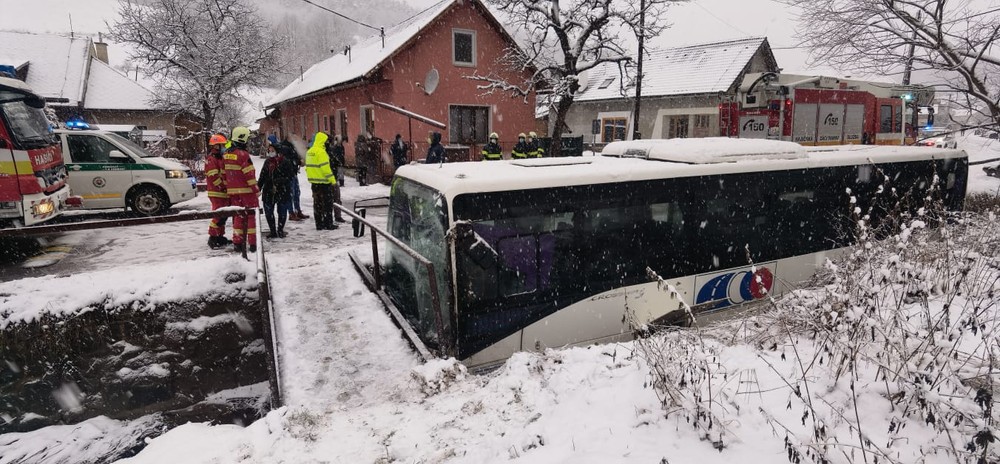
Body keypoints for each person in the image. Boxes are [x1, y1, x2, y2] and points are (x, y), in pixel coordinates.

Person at [224, 126, 260, 253]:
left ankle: (237, 243)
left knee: (238, 218)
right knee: (251, 218)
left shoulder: (227, 154)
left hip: (233, 193)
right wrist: (256, 189)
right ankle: (253, 244)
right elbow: (249, 174)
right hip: (246, 192)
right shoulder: (243, 155)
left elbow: (225, 174)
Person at [258, 139, 296, 238]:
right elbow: (262, 176)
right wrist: (258, 187)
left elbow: (290, 176)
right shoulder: (267, 162)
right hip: (269, 190)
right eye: (269, 151)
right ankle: (272, 230)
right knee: (268, 211)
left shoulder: (285, 162)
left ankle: (280, 229)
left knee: (282, 211)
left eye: (272, 150)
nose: (270, 153)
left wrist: (280, 180)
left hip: (282, 190)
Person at [305, 131, 337, 230]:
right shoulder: (321, 152)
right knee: (327, 205)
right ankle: (328, 223)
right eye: (326, 141)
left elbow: (308, 167)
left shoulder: (310, 151)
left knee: (317, 205)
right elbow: (325, 169)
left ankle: (319, 224)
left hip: (314, 183)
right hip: (324, 183)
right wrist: (333, 180)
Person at [205, 133, 231, 249]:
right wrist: (222, 186)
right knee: (218, 216)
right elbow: (213, 177)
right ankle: (213, 237)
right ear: (216, 146)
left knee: (223, 215)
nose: (224, 147)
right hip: (217, 192)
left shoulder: (219, 158)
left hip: (222, 192)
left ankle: (219, 236)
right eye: (222, 145)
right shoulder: (211, 159)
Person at [326, 134, 346, 223]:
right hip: (330, 178)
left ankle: (328, 218)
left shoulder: (328, 151)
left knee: (330, 200)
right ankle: (334, 217)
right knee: (335, 198)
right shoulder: (329, 151)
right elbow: (335, 162)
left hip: (325, 179)